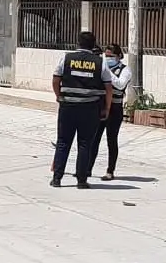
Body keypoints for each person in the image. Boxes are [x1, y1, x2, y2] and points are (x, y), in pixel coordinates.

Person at [50, 31, 114, 189]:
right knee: (85, 144)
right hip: (90, 109)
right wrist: (107, 108)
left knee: (63, 142)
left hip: (68, 107)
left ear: (78, 43)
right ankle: (81, 180)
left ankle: (57, 178)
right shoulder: (100, 62)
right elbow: (108, 87)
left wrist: (59, 96)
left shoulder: (66, 58)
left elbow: (55, 79)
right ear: (93, 45)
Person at [89, 44, 133, 181]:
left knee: (111, 140)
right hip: (101, 107)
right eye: (106, 56)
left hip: (115, 108)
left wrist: (107, 72)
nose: (107, 59)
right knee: (94, 139)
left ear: (119, 56)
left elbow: (120, 84)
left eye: (111, 56)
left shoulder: (125, 70)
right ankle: (87, 168)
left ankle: (110, 171)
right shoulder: (101, 67)